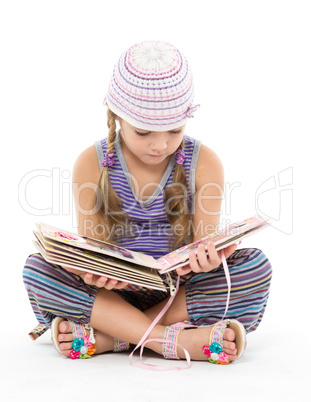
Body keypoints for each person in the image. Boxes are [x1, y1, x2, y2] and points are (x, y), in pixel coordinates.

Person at [23, 40, 272, 367]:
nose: (160, 145)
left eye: (174, 130)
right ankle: (171, 340)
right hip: (115, 295)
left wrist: (208, 261)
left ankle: (116, 336)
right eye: (143, 132)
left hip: (178, 293)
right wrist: (91, 273)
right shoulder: (91, 163)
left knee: (254, 267)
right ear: (116, 117)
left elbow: (203, 243)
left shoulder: (205, 163)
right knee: (38, 269)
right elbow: (93, 250)